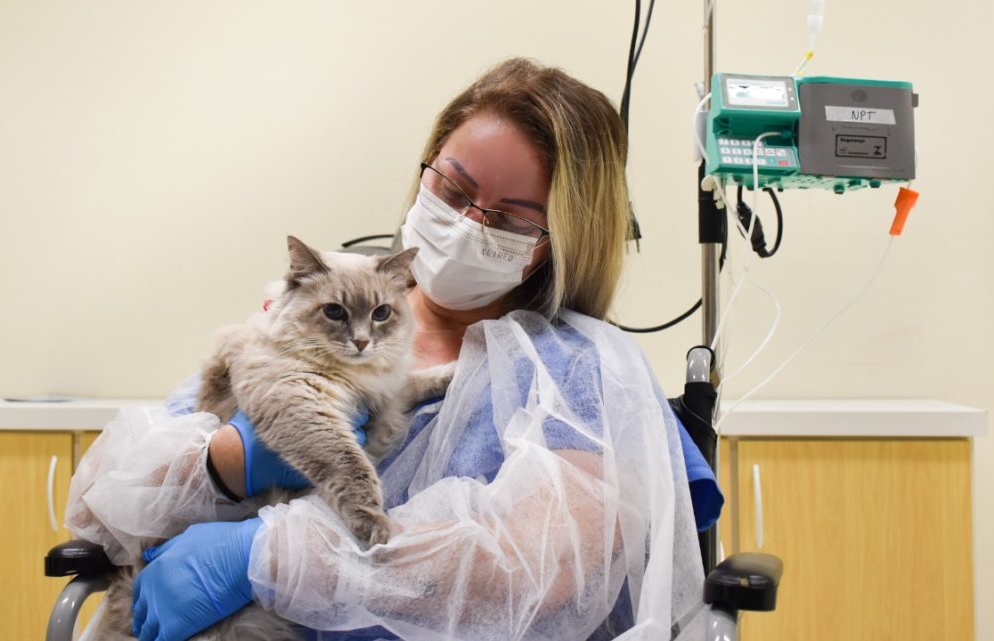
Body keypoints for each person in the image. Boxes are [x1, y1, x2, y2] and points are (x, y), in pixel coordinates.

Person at [70, 57, 719, 641]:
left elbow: (532, 571)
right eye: (456, 191)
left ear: (559, 239)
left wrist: (263, 555)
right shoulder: (311, 309)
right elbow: (102, 506)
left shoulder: (582, 369)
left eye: (510, 218)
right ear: (425, 170)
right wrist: (222, 463)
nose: (468, 225)